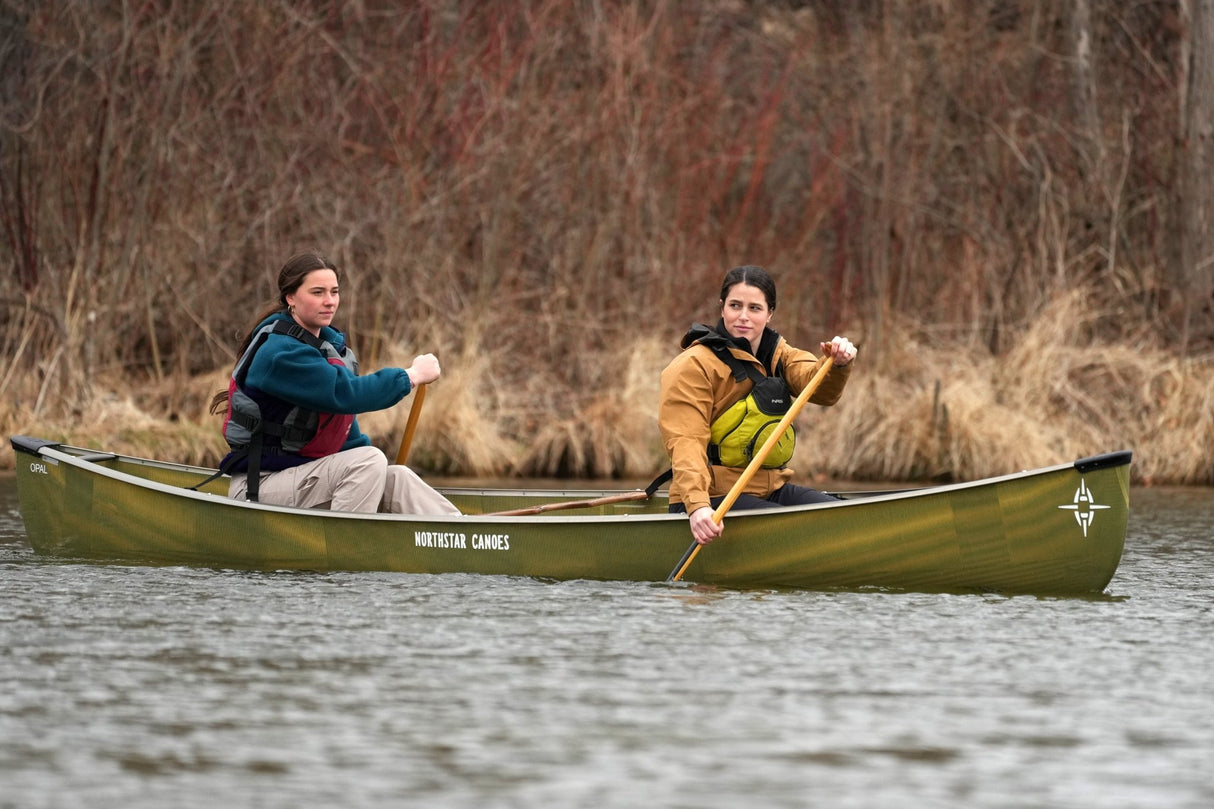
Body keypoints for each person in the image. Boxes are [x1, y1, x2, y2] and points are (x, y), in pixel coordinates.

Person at [208, 250, 459, 515]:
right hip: (259, 488)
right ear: (290, 297)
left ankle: (460, 528)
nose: (329, 301)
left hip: (302, 478)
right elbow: (347, 393)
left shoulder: (327, 349)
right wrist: (411, 376)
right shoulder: (280, 354)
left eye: (334, 292)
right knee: (369, 461)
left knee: (396, 477)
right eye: (318, 292)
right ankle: (345, 538)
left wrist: (375, 478)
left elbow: (348, 438)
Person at [659, 265, 856, 544]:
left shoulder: (779, 354)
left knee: (844, 516)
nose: (743, 316)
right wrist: (698, 506)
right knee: (795, 528)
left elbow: (820, 389)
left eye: (754, 308)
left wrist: (836, 364)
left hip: (768, 489)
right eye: (735, 306)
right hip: (711, 498)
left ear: (769, 313)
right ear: (722, 308)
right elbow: (685, 441)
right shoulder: (693, 366)